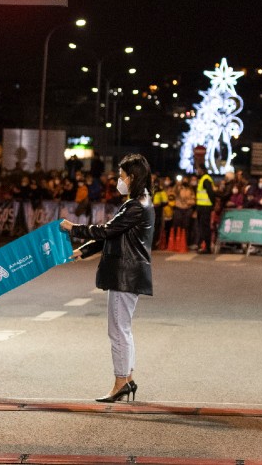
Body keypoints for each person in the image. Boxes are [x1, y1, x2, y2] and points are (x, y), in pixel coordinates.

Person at [59, 154, 154, 403]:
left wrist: (74, 228)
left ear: (132, 178)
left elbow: (107, 230)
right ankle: (128, 378)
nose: (118, 182)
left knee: (118, 330)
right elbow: (114, 236)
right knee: (124, 329)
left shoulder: (135, 205)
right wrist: (85, 250)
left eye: (121, 177)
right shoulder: (142, 202)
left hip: (124, 275)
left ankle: (120, 381)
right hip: (128, 274)